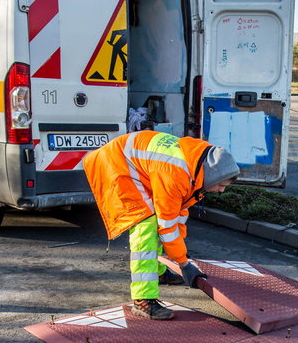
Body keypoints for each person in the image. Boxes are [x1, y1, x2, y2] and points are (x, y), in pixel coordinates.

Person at [83, 131, 240, 320]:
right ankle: (143, 300)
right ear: (212, 176)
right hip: (118, 165)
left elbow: (178, 214)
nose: (222, 190)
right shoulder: (176, 173)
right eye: (221, 185)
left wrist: (181, 255)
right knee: (146, 227)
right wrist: (183, 263)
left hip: (134, 165)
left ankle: (157, 273)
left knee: (158, 222)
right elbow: (167, 225)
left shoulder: (196, 165)